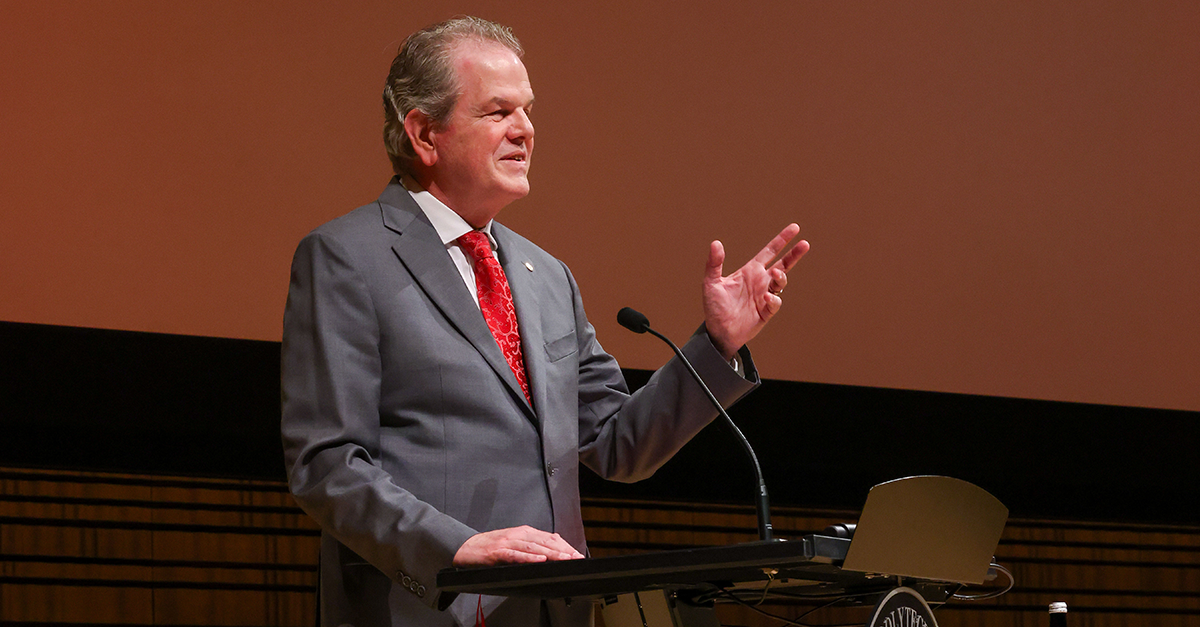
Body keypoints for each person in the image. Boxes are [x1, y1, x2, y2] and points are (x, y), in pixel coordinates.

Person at [280, 16, 809, 627]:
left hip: (553, 611)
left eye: (528, 111)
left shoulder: (546, 275)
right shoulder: (349, 257)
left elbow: (616, 443)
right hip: (428, 607)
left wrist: (718, 344)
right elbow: (327, 463)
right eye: (498, 112)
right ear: (426, 134)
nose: (525, 131)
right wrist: (452, 547)